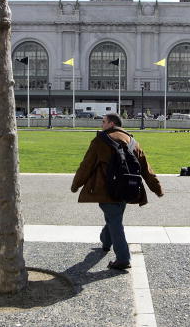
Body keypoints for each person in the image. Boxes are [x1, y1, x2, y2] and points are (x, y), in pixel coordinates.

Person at [71, 113, 163, 270]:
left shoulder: (101, 140)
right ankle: (106, 242)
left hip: (106, 189)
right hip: (128, 188)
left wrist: (76, 185)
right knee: (114, 217)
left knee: (114, 220)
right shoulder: (133, 142)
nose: (101, 125)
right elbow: (146, 169)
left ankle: (123, 258)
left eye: (104, 122)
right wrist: (157, 188)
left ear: (112, 124)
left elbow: (86, 166)